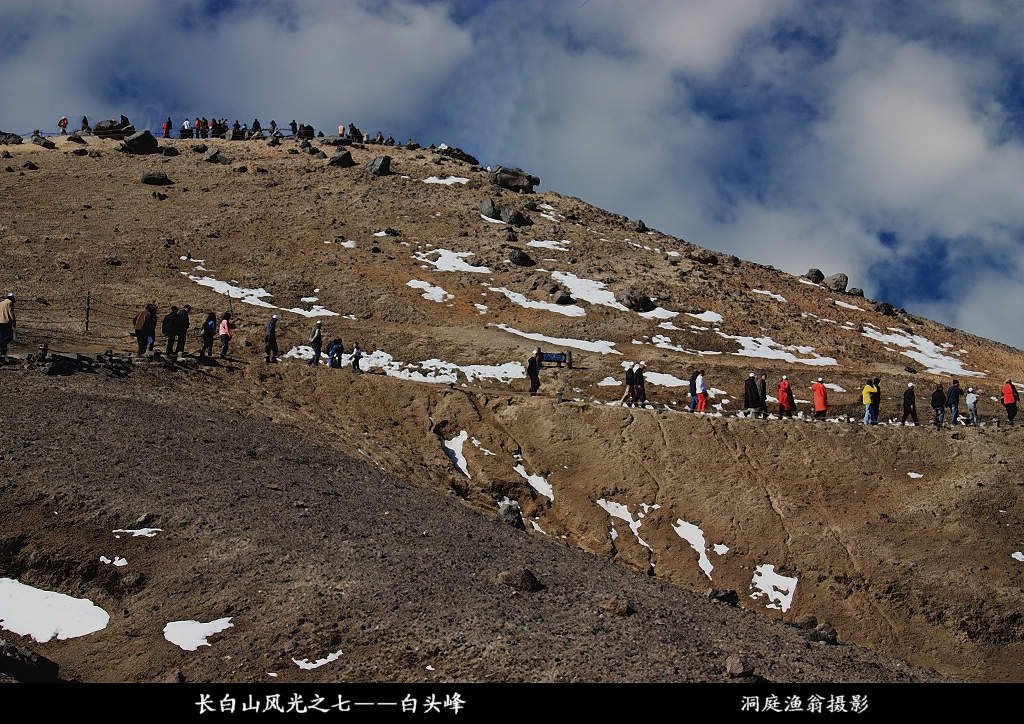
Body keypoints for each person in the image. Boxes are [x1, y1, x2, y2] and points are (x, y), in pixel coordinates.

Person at [0, 293, 15, 361]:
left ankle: (2, 354)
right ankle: (1, 344)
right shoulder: (10, 303)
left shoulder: (1, 303)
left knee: (2, 337)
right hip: (6, 322)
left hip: (0, 322)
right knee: (10, 336)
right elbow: (11, 313)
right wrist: (14, 322)